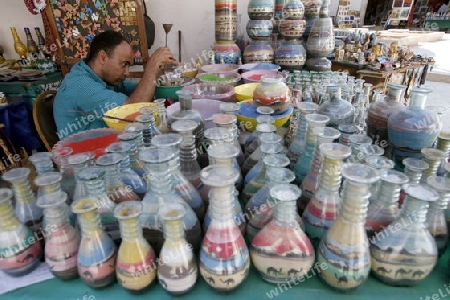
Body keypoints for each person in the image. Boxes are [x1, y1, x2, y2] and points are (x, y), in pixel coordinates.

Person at [53, 30, 177, 139]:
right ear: (103, 58)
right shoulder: (80, 85)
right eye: (124, 64)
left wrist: (160, 74)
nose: (127, 72)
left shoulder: (105, 78)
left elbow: (144, 93)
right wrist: (151, 67)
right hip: (84, 157)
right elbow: (135, 110)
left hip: (108, 145)